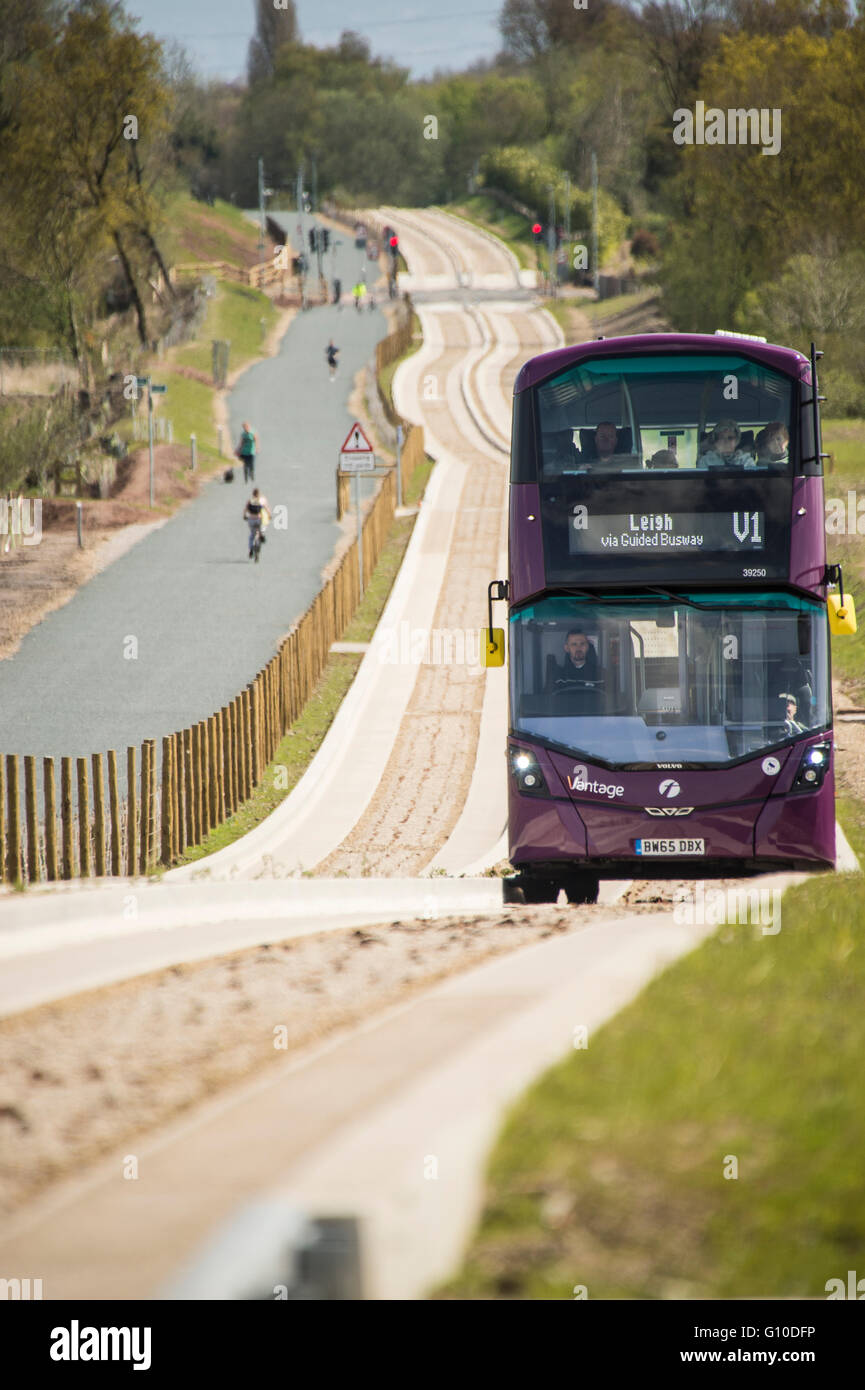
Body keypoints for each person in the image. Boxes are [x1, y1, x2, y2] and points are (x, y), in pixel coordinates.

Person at [243, 487, 270, 559]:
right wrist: (269, 516)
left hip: (251, 519)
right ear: (258, 494)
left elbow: (245, 510)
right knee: (260, 530)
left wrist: (244, 516)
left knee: (252, 535)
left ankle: (251, 549)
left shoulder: (249, 501)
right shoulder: (260, 501)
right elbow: (267, 509)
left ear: (253, 494)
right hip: (258, 519)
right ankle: (261, 535)